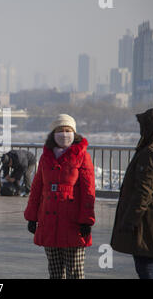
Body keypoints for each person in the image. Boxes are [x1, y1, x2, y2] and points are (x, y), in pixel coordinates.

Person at [24, 114, 95, 279]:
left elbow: (88, 191)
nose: (64, 134)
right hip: (49, 221)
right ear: (53, 134)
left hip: (73, 223)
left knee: (75, 273)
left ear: (74, 133)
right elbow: (36, 189)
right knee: (55, 272)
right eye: (60, 130)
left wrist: (87, 220)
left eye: (68, 130)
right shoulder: (45, 157)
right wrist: (31, 217)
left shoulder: (83, 156)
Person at [110, 108, 153, 279]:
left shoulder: (150, 152)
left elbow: (143, 192)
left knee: (147, 267)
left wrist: (129, 221)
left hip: (147, 224)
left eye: (143, 125)